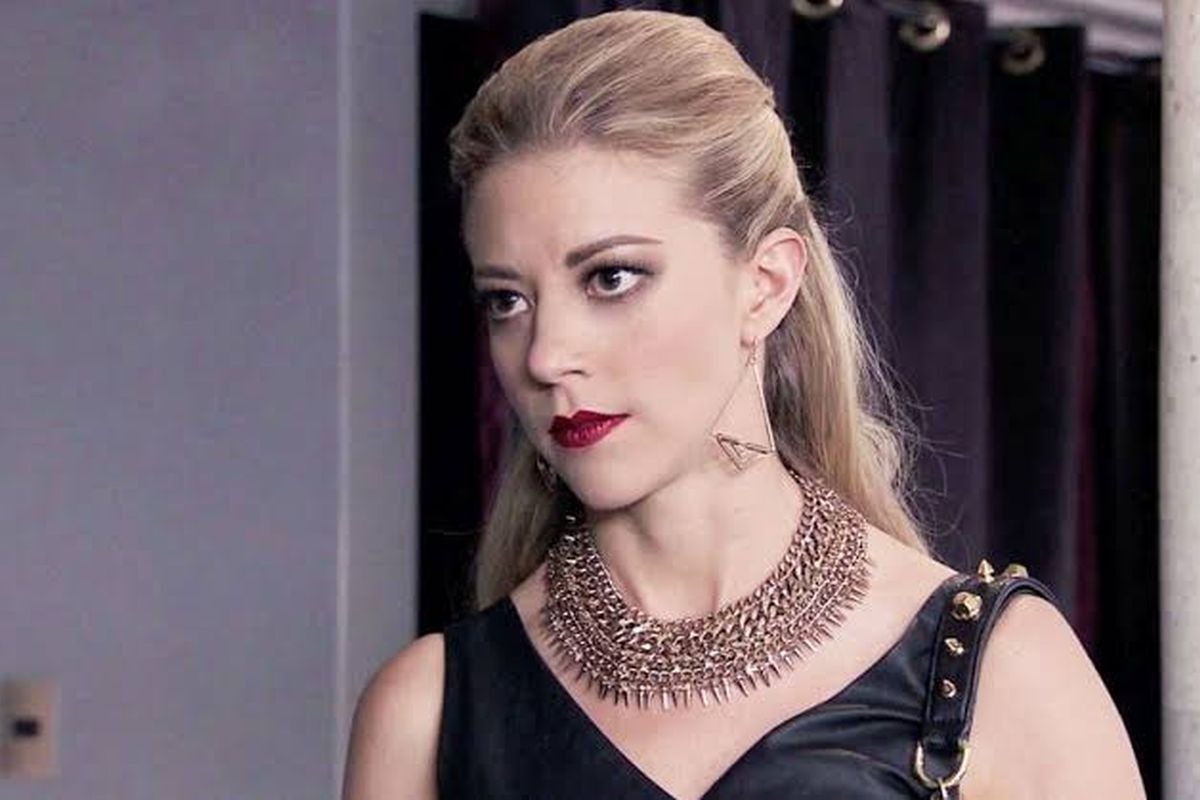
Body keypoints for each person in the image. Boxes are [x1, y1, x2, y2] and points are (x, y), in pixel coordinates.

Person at [342, 10, 1145, 799]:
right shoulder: (426, 713)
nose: (546, 356)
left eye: (611, 277)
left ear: (766, 284)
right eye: (507, 301)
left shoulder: (1005, 675)